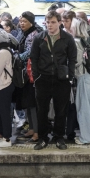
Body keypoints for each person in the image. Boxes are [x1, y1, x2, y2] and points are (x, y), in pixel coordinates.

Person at [30, 10, 77, 150]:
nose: (49, 25)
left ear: (59, 22)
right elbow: (34, 58)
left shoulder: (67, 38)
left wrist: (70, 76)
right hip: (42, 78)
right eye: (47, 22)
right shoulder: (39, 38)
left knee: (61, 110)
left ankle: (58, 137)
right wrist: (36, 75)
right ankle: (43, 138)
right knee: (41, 110)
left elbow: (72, 59)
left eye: (53, 22)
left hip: (61, 79)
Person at [14, 12, 43, 143]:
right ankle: (31, 128)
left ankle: (37, 132)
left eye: (24, 21)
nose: (22, 23)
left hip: (32, 74)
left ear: (31, 22)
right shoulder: (23, 34)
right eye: (20, 21)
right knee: (28, 103)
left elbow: (31, 51)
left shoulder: (34, 34)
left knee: (33, 104)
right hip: (25, 74)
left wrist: (18, 57)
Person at [73, 19, 90, 144]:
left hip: (83, 75)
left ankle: (86, 138)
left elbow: (77, 62)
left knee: (83, 108)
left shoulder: (76, 42)